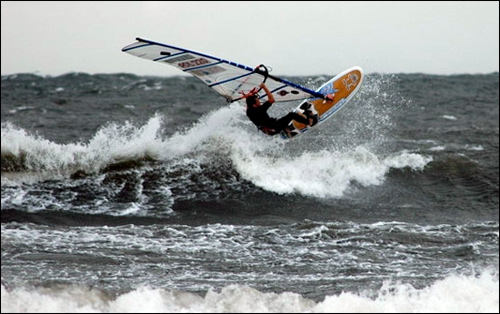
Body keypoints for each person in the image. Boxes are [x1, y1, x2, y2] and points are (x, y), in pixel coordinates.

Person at [245, 83, 316, 136]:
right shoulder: (260, 110)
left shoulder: (249, 112)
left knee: (278, 122)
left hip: (269, 131)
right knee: (292, 115)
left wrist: (249, 96)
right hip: (274, 128)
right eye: (258, 101)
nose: (259, 102)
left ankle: (287, 130)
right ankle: (309, 122)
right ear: (254, 105)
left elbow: (248, 103)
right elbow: (272, 100)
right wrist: (264, 87)